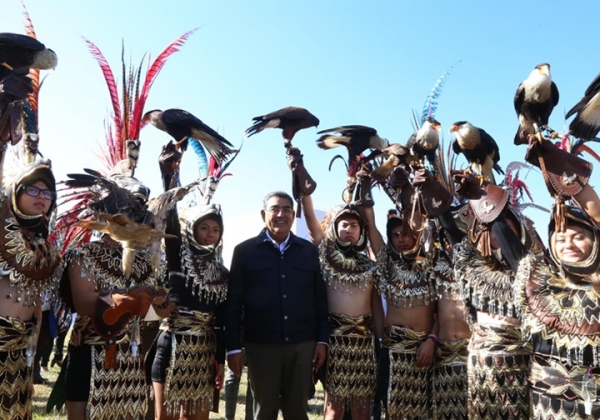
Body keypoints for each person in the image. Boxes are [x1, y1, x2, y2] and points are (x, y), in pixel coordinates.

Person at [61, 173, 165, 420]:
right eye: (125, 210)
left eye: (136, 212)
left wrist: (160, 308)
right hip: (90, 353)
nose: (130, 218)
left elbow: (149, 314)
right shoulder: (83, 254)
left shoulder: (147, 262)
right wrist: (127, 300)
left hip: (131, 357)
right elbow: (83, 302)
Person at [514, 140, 600, 418]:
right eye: (561, 237)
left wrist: (570, 179)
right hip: (545, 406)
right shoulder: (539, 275)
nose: (569, 244)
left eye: (578, 236)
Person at [225, 190, 329, 420]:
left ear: (294, 215)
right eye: (275, 209)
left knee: (297, 412)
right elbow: (234, 303)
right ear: (264, 214)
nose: (280, 214)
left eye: (286, 210)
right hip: (262, 347)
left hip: (302, 347)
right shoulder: (244, 252)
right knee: (264, 412)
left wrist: (322, 340)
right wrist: (233, 347)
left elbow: (320, 301)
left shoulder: (309, 252)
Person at [294, 157, 383, 420]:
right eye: (343, 224)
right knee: (333, 409)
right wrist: (301, 179)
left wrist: (381, 344)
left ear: (360, 231)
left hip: (364, 343)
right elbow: (310, 217)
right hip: (333, 342)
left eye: (353, 225)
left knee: (362, 410)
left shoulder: (371, 265)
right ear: (335, 227)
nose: (348, 229)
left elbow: (376, 306)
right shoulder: (326, 254)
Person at [150, 143, 229, 420]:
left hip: (204, 352)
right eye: (204, 228)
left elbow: (219, 320)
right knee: (166, 417)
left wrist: (219, 359)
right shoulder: (177, 255)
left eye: (215, 229)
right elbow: (170, 219)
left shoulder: (222, 272)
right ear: (193, 229)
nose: (210, 234)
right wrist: (169, 175)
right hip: (172, 345)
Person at [0, 159, 62, 419]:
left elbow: (36, 304)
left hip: (21, 352)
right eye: (33, 189)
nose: (42, 197)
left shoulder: (43, 248)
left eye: (47, 192)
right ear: (16, 191)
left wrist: (32, 354)